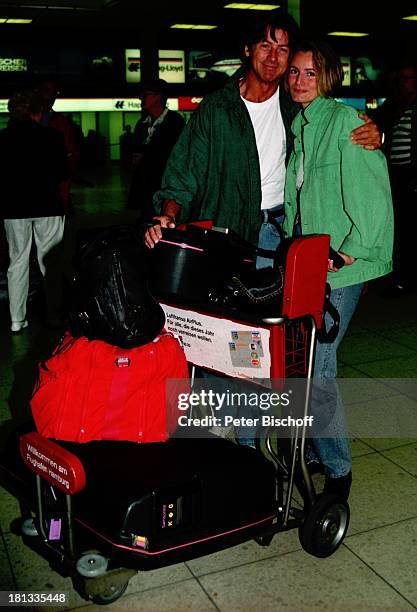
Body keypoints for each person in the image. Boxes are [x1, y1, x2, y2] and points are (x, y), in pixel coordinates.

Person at [144, 13, 381, 267]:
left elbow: (335, 125)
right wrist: (167, 215)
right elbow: (184, 173)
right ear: (247, 49)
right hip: (230, 233)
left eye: (282, 49)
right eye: (265, 46)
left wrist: (374, 132)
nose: (272, 57)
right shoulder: (216, 109)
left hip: (285, 230)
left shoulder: (297, 105)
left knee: (280, 305)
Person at [283, 40, 394, 499]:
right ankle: (312, 451)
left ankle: (338, 469)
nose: (299, 81)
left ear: (328, 77)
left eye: (310, 73)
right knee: (305, 364)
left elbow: (372, 191)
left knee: (318, 367)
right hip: (308, 266)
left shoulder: (347, 122)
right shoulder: (303, 126)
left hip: (340, 270)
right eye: (294, 72)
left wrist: (351, 252)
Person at [0, 89, 68, 332]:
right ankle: (55, 315)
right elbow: (62, 174)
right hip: (48, 205)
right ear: (38, 112)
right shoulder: (52, 137)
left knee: (17, 262)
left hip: (14, 208)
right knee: (49, 261)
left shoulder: (3, 138)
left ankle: (17, 320)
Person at [371, 63, 417, 296]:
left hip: (412, 176)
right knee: (399, 229)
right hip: (396, 177)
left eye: (408, 78)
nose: (404, 83)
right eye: (401, 78)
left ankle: (408, 277)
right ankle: (401, 276)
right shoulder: (396, 107)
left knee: (410, 229)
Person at [127, 79, 185, 222]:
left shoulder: (175, 121)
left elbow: (175, 157)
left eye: (145, 94)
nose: (141, 98)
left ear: (158, 96)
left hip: (165, 189)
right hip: (146, 190)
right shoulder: (142, 123)